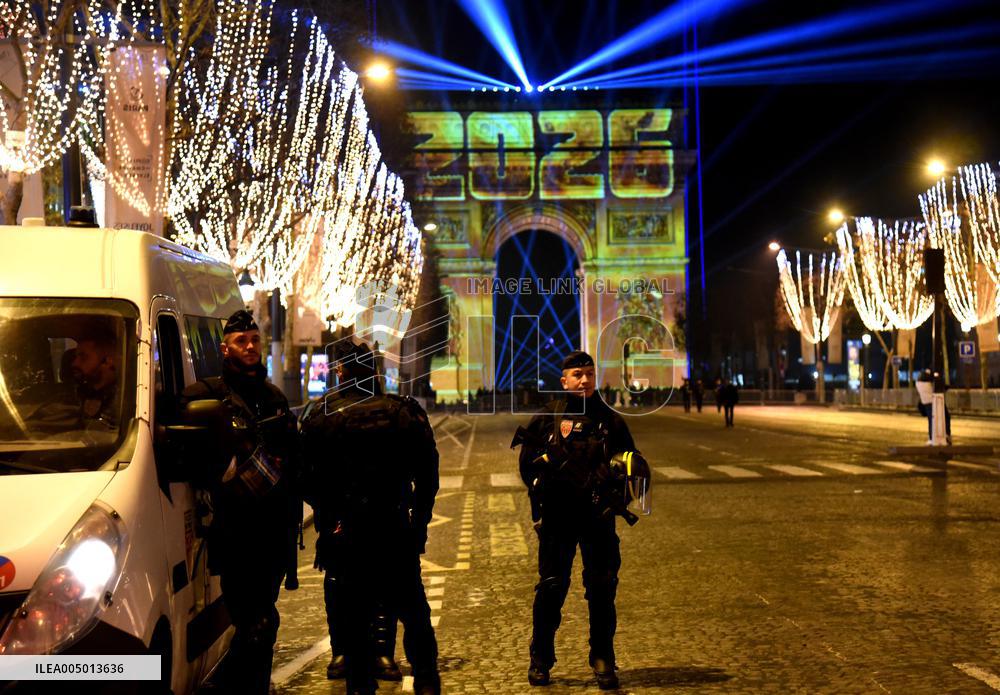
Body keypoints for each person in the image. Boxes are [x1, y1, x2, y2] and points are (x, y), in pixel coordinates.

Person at [300, 339, 441, 695]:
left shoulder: (321, 416)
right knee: (413, 611)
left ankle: (361, 686)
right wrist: (418, 524)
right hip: (394, 526)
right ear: (374, 373)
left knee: (354, 618)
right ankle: (425, 681)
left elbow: (304, 478)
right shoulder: (402, 412)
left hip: (346, 533)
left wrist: (328, 515)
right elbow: (428, 474)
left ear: (341, 373)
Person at [180, 310, 298, 695]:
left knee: (262, 621)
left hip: (274, 535)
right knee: (256, 622)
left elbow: (296, 461)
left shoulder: (275, 398)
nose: (250, 347)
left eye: (254, 340)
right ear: (225, 348)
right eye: (241, 341)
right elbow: (189, 457)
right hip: (235, 536)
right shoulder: (206, 396)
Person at [513, 350, 644, 690]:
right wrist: (540, 506)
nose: (584, 379)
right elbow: (528, 469)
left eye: (589, 373)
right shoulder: (546, 420)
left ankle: (603, 658)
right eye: (577, 374)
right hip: (558, 519)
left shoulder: (612, 421)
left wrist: (619, 499)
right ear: (564, 380)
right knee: (551, 590)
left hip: (598, 519)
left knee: (602, 592)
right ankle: (540, 658)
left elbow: (633, 467)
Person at [916, 368, 952, 444]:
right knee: (945, 416)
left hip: (926, 401)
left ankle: (931, 437)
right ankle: (945, 435)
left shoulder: (920, 381)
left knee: (931, 419)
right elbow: (939, 387)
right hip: (934, 401)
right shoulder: (929, 380)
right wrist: (946, 387)